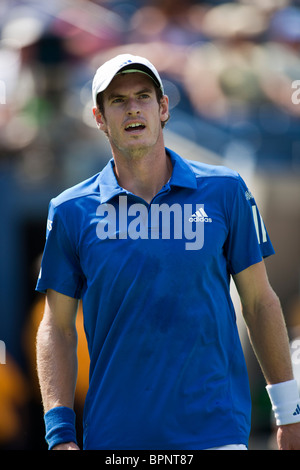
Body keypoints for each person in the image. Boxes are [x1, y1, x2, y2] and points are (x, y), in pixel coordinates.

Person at [36, 53, 300, 450]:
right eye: (118, 101)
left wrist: (289, 412)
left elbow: (260, 303)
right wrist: (59, 433)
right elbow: (56, 327)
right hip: (115, 439)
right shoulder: (70, 210)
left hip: (216, 432)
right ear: (99, 118)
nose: (133, 108)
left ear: (163, 109)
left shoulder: (226, 190)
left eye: (143, 96)